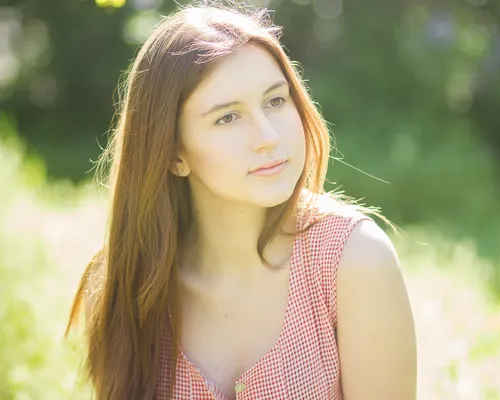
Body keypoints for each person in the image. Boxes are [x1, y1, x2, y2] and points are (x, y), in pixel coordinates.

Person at [66, 2, 417, 399]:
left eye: (275, 101)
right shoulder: (129, 281)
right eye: (227, 117)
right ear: (173, 153)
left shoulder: (353, 261)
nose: (268, 135)